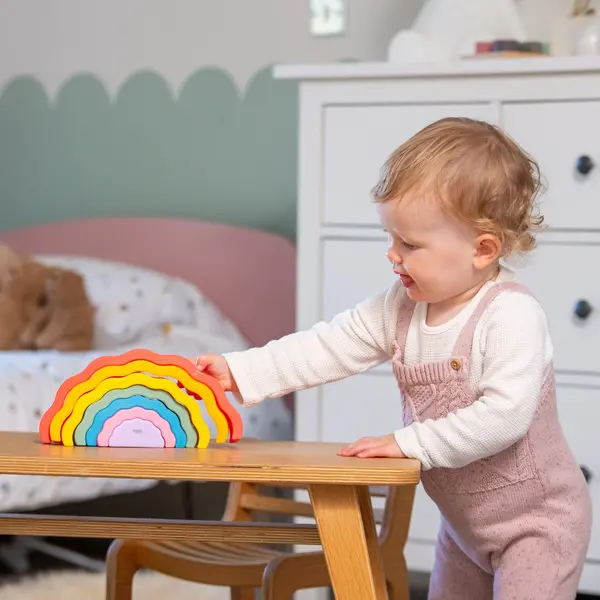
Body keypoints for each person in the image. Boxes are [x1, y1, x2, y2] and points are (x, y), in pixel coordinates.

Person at [193, 117, 592, 599]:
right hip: (464, 528)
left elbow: (503, 417)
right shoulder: (400, 308)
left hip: (537, 525)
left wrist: (408, 443)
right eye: (391, 237)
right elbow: (329, 345)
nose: (392, 254)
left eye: (410, 244)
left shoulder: (510, 315)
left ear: (482, 249)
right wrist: (241, 370)